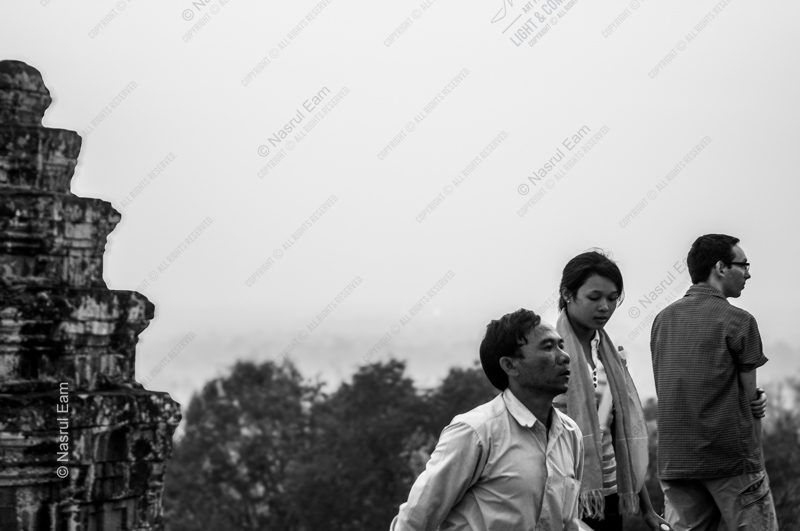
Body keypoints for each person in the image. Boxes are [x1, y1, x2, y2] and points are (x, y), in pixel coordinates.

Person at [390, 308, 586, 530]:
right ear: (510, 365)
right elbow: (416, 520)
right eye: (548, 347)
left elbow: (569, 522)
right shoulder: (476, 432)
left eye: (561, 345)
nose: (564, 356)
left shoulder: (570, 434)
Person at [650, 234, 777, 530]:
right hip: (731, 459)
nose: (748, 273)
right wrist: (755, 458)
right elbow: (751, 400)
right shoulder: (739, 321)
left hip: (675, 461)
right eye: (742, 265)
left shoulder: (661, 320)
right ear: (720, 267)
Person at [556, 251, 670, 531]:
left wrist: (647, 509)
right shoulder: (552, 352)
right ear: (568, 294)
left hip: (606, 493)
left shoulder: (609, 357)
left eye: (612, 298)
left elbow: (622, 433)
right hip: (558, 495)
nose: (605, 307)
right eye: (594, 298)